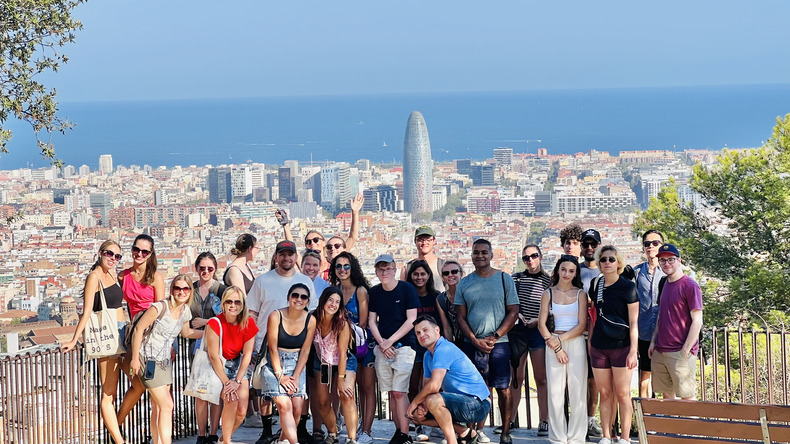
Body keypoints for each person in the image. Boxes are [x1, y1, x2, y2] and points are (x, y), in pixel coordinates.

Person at [248, 240, 317, 444]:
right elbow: (252, 313)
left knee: (294, 401)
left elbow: (311, 311)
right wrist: (252, 342)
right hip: (265, 343)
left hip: (296, 344)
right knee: (265, 394)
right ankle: (267, 431)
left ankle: (284, 437)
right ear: (276, 257)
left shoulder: (305, 281)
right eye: (282, 254)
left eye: (290, 254)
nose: (286, 258)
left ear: (296, 257)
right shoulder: (262, 280)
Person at [62, 240, 127, 444]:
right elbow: (87, 310)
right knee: (109, 393)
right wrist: (74, 340)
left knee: (137, 384)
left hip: (121, 335)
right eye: (109, 254)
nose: (113, 259)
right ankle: (119, 440)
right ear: (100, 253)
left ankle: (116, 426)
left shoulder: (112, 275)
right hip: (107, 338)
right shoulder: (94, 277)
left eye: (117, 256)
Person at [455, 238, 519, 444]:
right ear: (471, 256)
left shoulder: (503, 278)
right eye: (476, 252)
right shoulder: (464, 283)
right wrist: (474, 340)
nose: (480, 256)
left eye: (484, 252)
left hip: (500, 343)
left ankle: (506, 432)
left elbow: (514, 311)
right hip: (472, 343)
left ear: (491, 255)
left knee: (503, 388)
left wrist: (496, 336)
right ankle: (472, 431)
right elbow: (460, 317)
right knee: (474, 389)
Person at [130, 274, 203, 444]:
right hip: (147, 359)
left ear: (190, 291)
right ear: (172, 290)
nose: (181, 292)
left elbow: (186, 333)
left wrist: (212, 332)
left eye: (185, 288)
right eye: (178, 288)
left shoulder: (185, 311)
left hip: (165, 362)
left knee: (157, 407)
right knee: (167, 405)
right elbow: (138, 329)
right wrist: (134, 358)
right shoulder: (159, 307)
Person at [406, 315, 491, 444]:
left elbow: (434, 386)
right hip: (459, 402)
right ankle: (465, 432)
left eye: (425, 330)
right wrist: (420, 407)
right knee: (418, 417)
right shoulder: (428, 355)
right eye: (418, 333)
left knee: (432, 400)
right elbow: (427, 386)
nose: (421, 334)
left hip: (478, 404)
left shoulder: (444, 348)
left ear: (437, 330)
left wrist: (414, 403)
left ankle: (452, 442)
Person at [589, 245, 638, 444]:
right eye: (603, 259)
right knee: (605, 393)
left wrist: (633, 350)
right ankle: (607, 436)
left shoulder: (628, 287)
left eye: (611, 259)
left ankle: (625, 437)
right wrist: (591, 345)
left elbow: (634, 322)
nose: (607, 263)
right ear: (599, 263)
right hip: (600, 345)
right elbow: (593, 317)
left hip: (622, 345)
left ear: (619, 263)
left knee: (623, 393)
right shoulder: (595, 285)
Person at [368, 254, 420, 444]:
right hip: (383, 347)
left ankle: (405, 434)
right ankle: (399, 431)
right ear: (376, 271)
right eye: (381, 269)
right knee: (392, 392)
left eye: (388, 268)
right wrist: (382, 343)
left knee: (400, 392)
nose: (385, 272)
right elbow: (372, 321)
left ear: (395, 269)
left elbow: (412, 320)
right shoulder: (374, 292)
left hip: (404, 345)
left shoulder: (406, 289)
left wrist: (388, 342)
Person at [538, 256, 589, 444]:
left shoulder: (580, 294)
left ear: (575, 273)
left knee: (578, 390)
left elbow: (582, 324)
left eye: (571, 271)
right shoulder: (548, 293)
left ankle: (576, 438)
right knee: (555, 392)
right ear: (558, 270)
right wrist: (556, 345)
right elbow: (541, 324)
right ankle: (557, 438)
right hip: (552, 343)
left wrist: (560, 340)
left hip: (575, 343)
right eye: (564, 269)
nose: (567, 274)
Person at [500, 244, 550, 437]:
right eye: (526, 258)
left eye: (533, 256)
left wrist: (539, 320)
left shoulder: (548, 281)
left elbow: (551, 305)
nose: (530, 260)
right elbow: (509, 302)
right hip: (519, 330)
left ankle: (544, 420)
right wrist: (519, 317)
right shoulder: (516, 278)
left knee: (541, 378)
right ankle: (510, 420)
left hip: (538, 329)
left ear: (540, 256)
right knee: (516, 379)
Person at [117, 234, 166, 425]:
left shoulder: (155, 278)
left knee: (157, 390)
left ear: (150, 254)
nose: (139, 253)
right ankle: (116, 426)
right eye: (136, 249)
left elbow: (161, 311)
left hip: (153, 336)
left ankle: (158, 434)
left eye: (144, 251)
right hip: (133, 333)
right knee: (138, 385)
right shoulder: (124, 276)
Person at [260, 283, 317, 444]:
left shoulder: (310, 320)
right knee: (284, 405)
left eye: (303, 297)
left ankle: (282, 440)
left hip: (297, 364)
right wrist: (281, 376)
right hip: (274, 365)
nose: (299, 299)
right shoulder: (275, 316)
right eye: (295, 295)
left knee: (298, 408)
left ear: (307, 301)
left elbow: (305, 351)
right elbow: (272, 348)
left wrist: (296, 376)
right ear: (288, 297)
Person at [329, 252, 375, 444]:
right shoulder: (335, 290)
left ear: (352, 268)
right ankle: (351, 426)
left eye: (346, 266)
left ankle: (367, 429)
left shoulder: (361, 291)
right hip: (342, 347)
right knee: (349, 389)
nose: (342, 270)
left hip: (362, 344)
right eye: (338, 266)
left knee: (366, 387)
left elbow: (363, 323)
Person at [649, 244, 703, 400]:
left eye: (671, 259)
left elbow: (697, 320)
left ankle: (691, 426)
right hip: (661, 349)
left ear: (679, 260)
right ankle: (672, 425)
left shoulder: (690, 286)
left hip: (680, 351)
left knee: (687, 398)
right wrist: (654, 341)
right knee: (667, 396)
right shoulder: (664, 283)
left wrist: (686, 349)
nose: (667, 264)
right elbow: (662, 314)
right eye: (663, 260)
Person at [206, 286, 259, 444]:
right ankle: (227, 441)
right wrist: (227, 382)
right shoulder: (214, 323)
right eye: (229, 301)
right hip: (221, 365)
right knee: (231, 400)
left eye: (237, 302)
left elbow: (247, 354)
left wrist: (237, 380)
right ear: (223, 303)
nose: (233, 305)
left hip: (239, 364)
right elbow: (214, 356)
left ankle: (224, 438)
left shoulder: (248, 322)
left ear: (243, 305)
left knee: (242, 411)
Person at [312, 288, 359, 444]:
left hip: (343, 361)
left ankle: (352, 439)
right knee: (323, 401)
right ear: (323, 300)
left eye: (337, 302)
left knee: (346, 394)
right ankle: (333, 433)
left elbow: (343, 353)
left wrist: (341, 379)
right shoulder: (314, 318)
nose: (333, 304)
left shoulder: (342, 323)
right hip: (324, 363)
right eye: (330, 300)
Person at [279, 194, 364, 280]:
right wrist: (285, 225)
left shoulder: (336, 258)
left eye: (316, 240)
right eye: (308, 242)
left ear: (324, 243)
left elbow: (353, 237)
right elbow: (293, 248)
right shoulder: (307, 266)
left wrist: (355, 212)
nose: (312, 243)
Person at [190, 252, 227, 443]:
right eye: (202, 268)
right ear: (196, 268)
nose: (205, 271)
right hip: (196, 348)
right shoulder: (190, 290)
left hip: (219, 348)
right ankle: (202, 434)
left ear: (215, 270)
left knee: (217, 392)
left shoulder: (222, 290)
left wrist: (206, 323)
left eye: (209, 268)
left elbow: (230, 317)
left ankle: (213, 433)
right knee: (200, 392)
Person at [405, 260, 442, 441]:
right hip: (413, 345)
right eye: (415, 274)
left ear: (428, 276)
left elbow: (442, 323)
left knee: (434, 386)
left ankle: (434, 420)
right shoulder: (407, 295)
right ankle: (418, 423)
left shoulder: (436, 297)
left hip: (433, 347)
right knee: (413, 386)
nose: (419, 278)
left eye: (422, 274)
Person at [634, 230, 666, 399]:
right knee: (644, 377)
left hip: (665, 333)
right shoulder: (636, 272)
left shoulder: (669, 271)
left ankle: (664, 418)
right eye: (647, 244)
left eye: (655, 243)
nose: (651, 246)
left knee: (665, 379)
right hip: (644, 333)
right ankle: (645, 418)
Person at [578, 228, 603, 439]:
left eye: (592, 244)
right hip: (577, 331)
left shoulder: (606, 270)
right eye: (585, 244)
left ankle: (590, 419)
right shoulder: (575, 270)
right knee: (578, 378)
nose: (589, 248)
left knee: (594, 379)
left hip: (599, 331)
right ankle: (578, 420)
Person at [400, 226, 446, 292]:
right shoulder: (407, 268)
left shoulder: (443, 266)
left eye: (428, 240)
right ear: (415, 241)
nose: (424, 243)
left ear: (434, 241)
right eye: (420, 240)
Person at [436, 260, 464, 346]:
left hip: (474, 339)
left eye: (454, 272)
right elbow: (447, 328)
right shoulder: (441, 299)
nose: (450, 275)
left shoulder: (469, 294)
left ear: (461, 274)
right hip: (458, 341)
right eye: (446, 273)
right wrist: (451, 348)